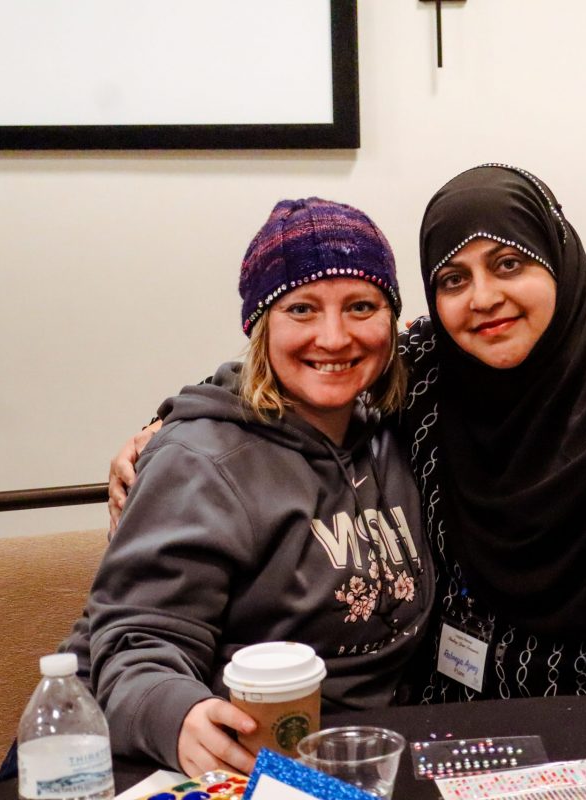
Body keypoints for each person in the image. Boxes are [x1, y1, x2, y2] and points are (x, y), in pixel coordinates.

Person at [110, 165, 586, 704]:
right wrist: (172, 425)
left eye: (509, 264)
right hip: (442, 740)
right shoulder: (435, 377)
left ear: (560, 263)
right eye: (453, 279)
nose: (482, 298)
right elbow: (307, 364)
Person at [74, 197, 434, 776]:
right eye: (302, 309)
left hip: (365, 754)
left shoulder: (401, 430)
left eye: (362, 306)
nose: (334, 337)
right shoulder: (201, 461)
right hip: (239, 755)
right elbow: (135, 644)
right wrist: (180, 716)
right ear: (262, 326)